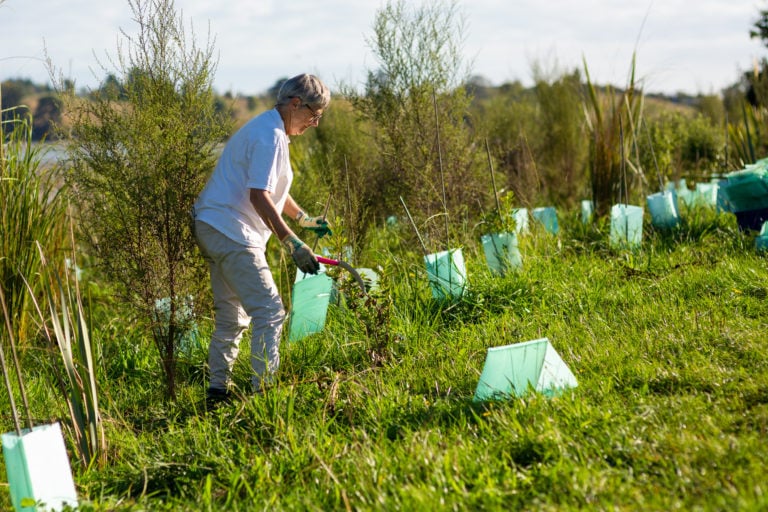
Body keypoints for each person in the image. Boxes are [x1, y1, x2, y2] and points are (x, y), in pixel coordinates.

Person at [193, 73, 332, 406]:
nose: (315, 123)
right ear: (296, 104)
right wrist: (293, 243)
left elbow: (272, 191)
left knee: (232, 316)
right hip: (232, 231)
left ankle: (217, 392)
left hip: (213, 227)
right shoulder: (270, 136)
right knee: (270, 312)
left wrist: (304, 219)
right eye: (315, 114)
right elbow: (259, 196)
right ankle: (263, 395)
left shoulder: (269, 131)